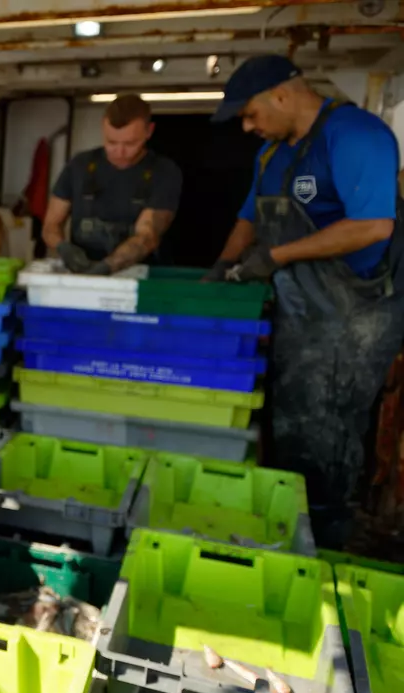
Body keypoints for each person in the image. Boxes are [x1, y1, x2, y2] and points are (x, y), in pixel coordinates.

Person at [207, 54, 404, 548]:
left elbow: (373, 225)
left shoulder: (355, 134)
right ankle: (291, 529)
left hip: (354, 313)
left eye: (250, 113)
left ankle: (329, 540)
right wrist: (221, 268)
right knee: (292, 419)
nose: (248, 126)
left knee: (329, 426)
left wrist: (274, 256)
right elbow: (250, 216)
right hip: (300, 311)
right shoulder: (271, 155)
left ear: (281, 94)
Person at [43, 93, 183, 274]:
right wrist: (62, 247)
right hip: (83, 273)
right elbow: (51, 225)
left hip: (140, 278)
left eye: (130, 143)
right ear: (103, 127)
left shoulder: (164, 172)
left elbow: (147, 235)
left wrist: (109, 266)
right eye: (111, 142)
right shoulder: (79, 165)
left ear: (149, 131)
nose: (119, 151)